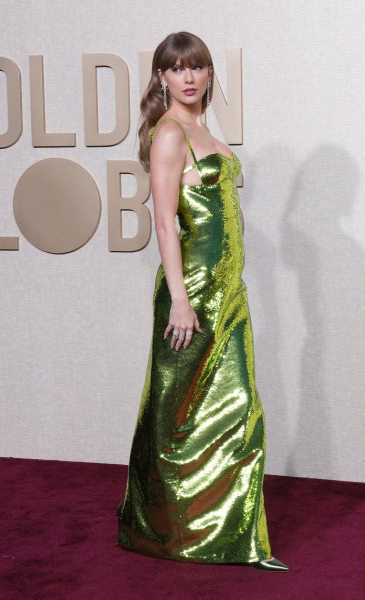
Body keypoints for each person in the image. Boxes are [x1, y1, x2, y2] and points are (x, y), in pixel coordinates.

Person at [117, 32, 288, 572]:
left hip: (227, 292)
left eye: (198, 68)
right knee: (178, 415)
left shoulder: (200, 129)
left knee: (233, 410)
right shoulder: (170, 134)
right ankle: (168, 531)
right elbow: (164, 222)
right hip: (191, 292)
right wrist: (180, 301)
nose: (188, 77)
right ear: (161, 78)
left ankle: (217, 531)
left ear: (210, 75)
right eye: (177, 69)